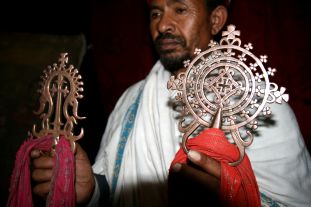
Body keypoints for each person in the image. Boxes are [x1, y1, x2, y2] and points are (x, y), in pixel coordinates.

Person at [31, 0, 311, 206]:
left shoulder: (260, 105)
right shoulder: (132, 99)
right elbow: (117, 186)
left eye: (179, 9)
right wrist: (91, 189)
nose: (162, 25)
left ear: (215, 20)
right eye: (155, 12)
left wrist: (233, 198)